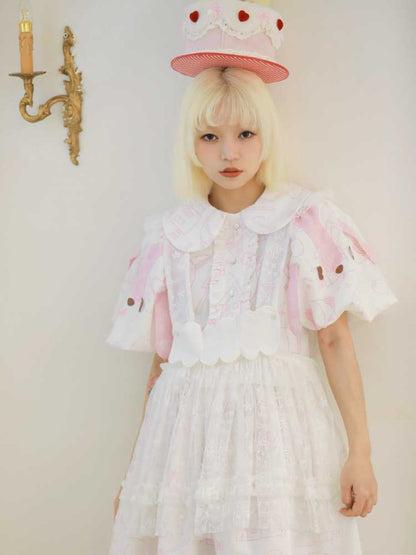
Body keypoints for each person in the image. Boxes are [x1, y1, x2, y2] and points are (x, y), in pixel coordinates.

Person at [106, 1, 398, 553]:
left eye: (245, 133)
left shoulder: (303, 221)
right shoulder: (169, 235)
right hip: (185, 440)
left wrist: (360, 452)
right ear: (190, 144)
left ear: (267, 136)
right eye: (210, 138)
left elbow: (335, 339)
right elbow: (161, 363)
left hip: (278, 436)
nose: (229, 153)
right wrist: (138, 475)